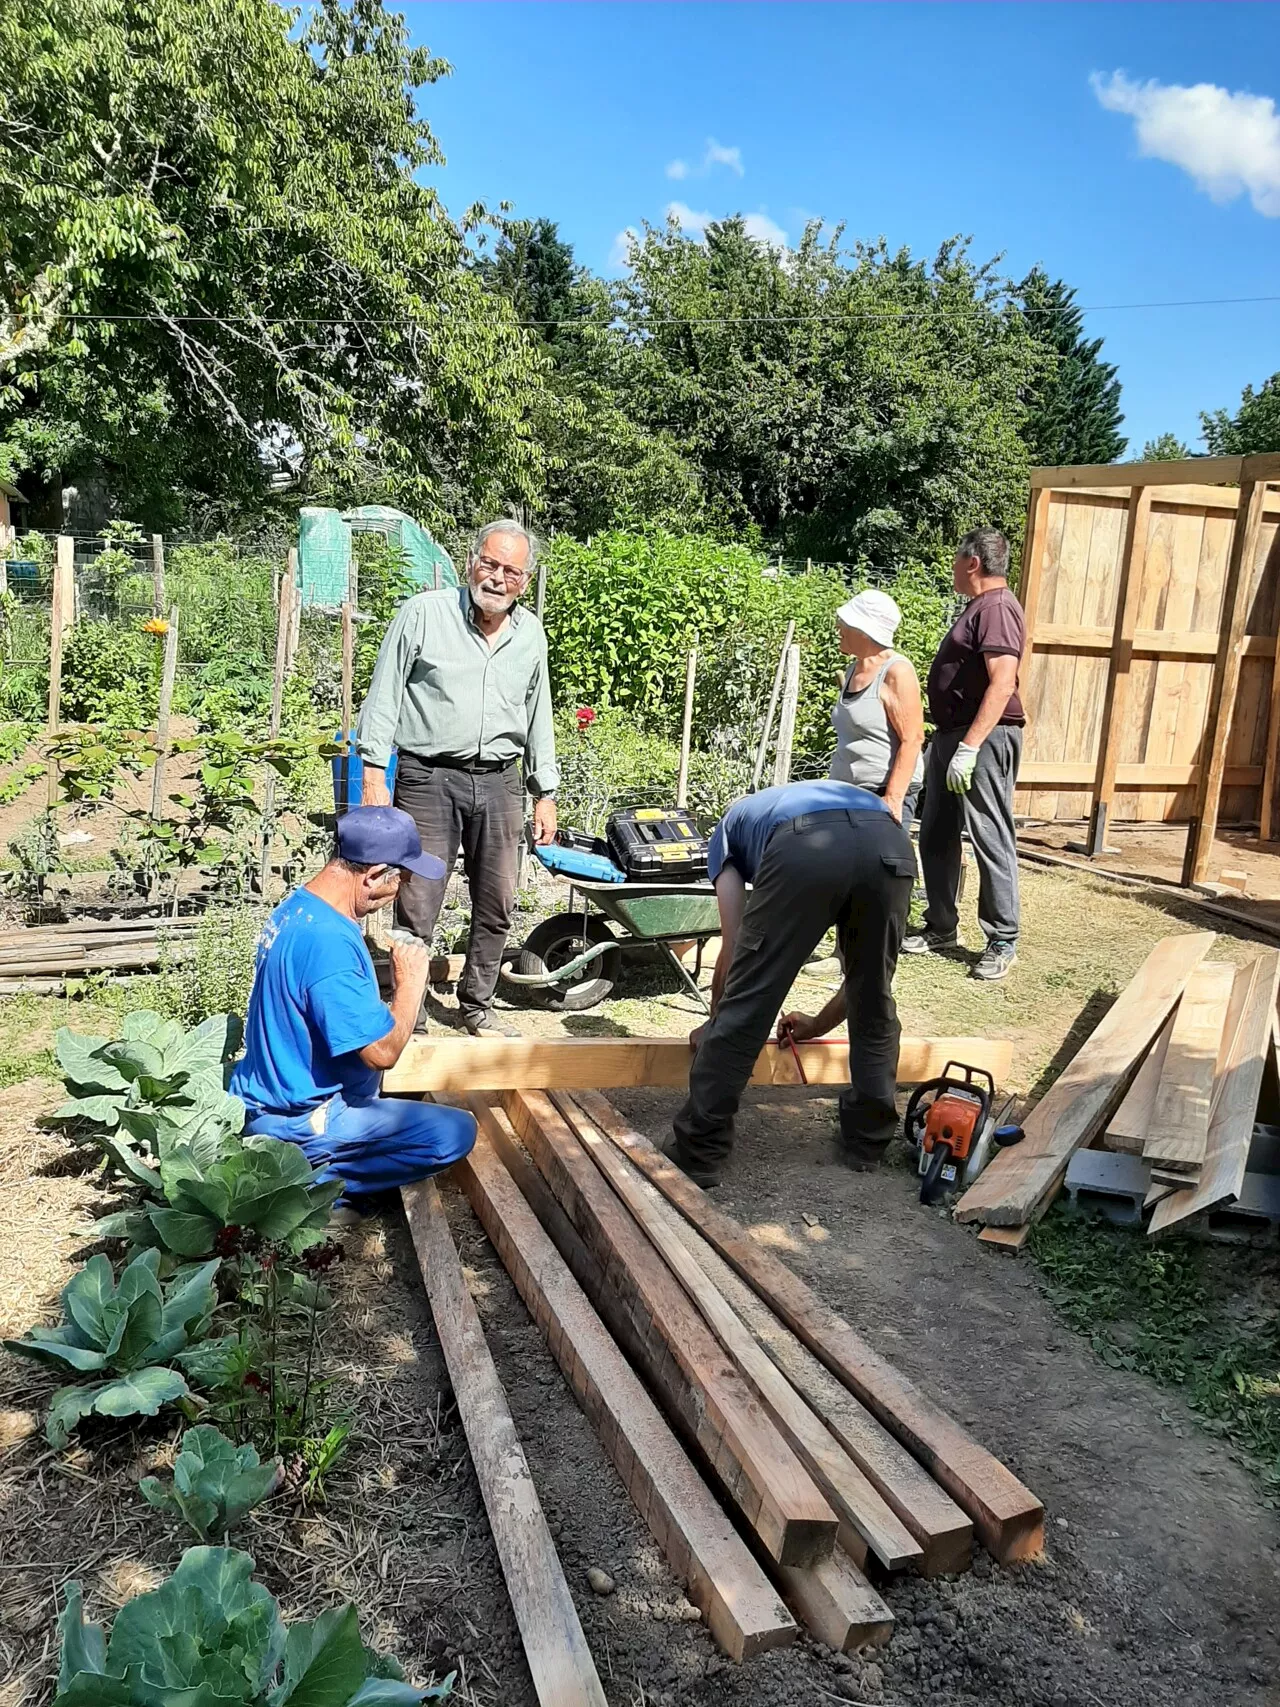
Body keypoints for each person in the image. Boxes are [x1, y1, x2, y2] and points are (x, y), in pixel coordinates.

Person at [356, 520, 559, 1038]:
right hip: (429, 779)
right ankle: (412, 1010)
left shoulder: (529, 632)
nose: (497, 577)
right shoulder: (424, 614)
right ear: (471, 561)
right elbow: (385, 695)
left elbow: (539, 714)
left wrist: (545, 792)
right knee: (418, 899)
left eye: (511, 570)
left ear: (524, 578)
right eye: (489, 563)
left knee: (497, 901)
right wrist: (374, 773)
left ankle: (476, 1006)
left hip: (500, 783)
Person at [668, 779, 916, 1188]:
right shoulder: (799, 800)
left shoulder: (725, 832)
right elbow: (863, 985)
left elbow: (733, 951)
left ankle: (700, 1149)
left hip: (807, 845)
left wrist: (716, 1023)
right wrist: (816, 1026)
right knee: (874, 993)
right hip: (888, 839)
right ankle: (866, 1144)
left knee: (750, 997)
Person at [230, 806, 477, 1217]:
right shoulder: (330, 945)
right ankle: (308, 1184)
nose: (402, 891)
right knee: (453, 1133)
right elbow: (381, 1052)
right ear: (375, 875)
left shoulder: (297, 908)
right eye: (404, 879)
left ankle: (296, 1166)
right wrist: (412, 984)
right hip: (302, 1117)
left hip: (267, 1097)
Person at [902, 527, 1025, 982]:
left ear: (973, 563)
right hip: (953, 737)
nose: (953, 565)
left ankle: (1002, 939)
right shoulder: (979, 608)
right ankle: (941, 926)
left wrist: (972, 745)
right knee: (936, 831)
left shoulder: (996, 608)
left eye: (957, 559)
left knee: (990, 834)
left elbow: (1003, 681)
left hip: (983, 739)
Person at [829, 588, 925, 828]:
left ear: (864, 630)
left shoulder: (896, 671)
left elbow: (913, 738)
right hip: (846, 793)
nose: (838, 627)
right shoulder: (853, 670)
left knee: (881, 865)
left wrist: (892, 799)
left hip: (881, 795)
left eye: (845, 622)